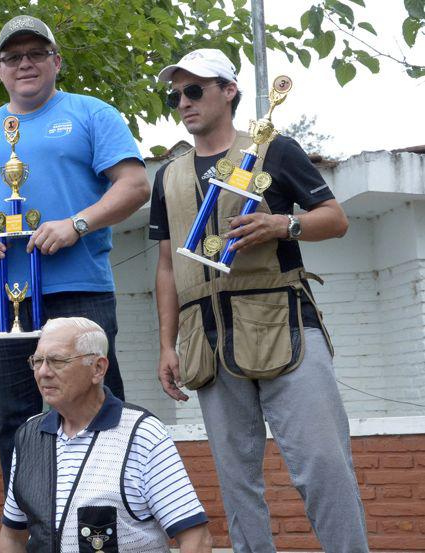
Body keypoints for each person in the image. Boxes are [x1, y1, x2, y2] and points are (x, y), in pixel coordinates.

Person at [151, 49, 366, 552]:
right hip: (204, 337)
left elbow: (335, 219)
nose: (184, 101)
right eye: (177, 93)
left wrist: (283, 223)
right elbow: (165, 266)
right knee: (236, 483)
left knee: (322, 466)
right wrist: (167, 344)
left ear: (229, 91)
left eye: (195, 90)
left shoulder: (276, 148)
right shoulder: (168, 175)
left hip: (283, 325)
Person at [0, 14, 151, 489]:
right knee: (16, 420)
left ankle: (109, 518)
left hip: (79, 293)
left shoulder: (92, 114)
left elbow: (135, 185)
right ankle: (33, 530)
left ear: (57, 61)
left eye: (35, 54)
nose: (24, 64)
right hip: (0, 300)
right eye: (13, 57)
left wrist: (78, 224)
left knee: (97, 408)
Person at [0, 317, 211, 552]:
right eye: (38, 361)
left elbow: (196, 539)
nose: (44, 372)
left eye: (57, 361)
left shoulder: (142, 434)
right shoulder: (29, 436)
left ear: (98, 368)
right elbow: (12, 536)